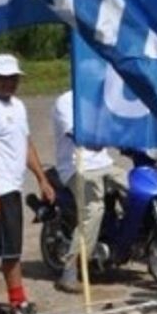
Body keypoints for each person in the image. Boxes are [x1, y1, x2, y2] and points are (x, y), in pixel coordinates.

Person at [0, 54, 55, 314]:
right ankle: (18, 302)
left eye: (13, 78)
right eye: (3, 78)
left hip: (9, 188)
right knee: (10, 251)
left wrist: (42, 178)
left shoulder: (17, 106)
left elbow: (25, 145)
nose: (9, 83)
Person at [49, 90, 121, 294]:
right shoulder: (65, 101)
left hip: (105, 164)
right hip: (76, 167)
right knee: (94, 209)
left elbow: (118, 125)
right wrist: (105, 137)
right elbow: (76, 133)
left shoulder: (100, 99)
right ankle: (70, 270)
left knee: (136, 190)